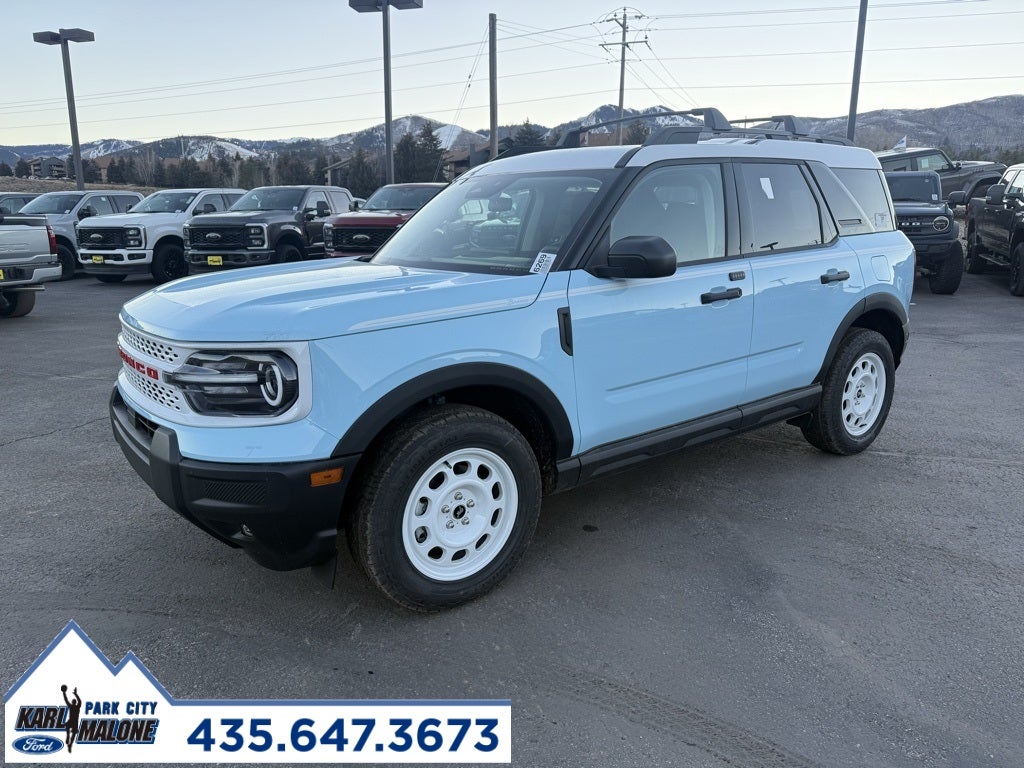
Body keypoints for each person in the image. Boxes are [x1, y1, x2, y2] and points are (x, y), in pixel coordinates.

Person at [61, 684, 81, 753]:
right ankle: (69, 740)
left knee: (68, 727)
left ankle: (68, 739)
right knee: (72, 733)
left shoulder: (73, 706)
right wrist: (75, 694)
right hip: (74, 722)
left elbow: (66, 700)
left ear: (73, 702)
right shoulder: (76, 706)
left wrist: (64, 693)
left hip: (73, 721)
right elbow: (79, 701)